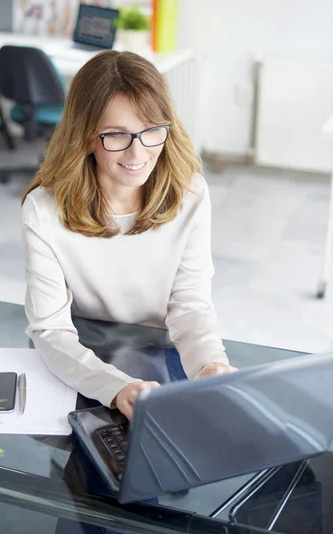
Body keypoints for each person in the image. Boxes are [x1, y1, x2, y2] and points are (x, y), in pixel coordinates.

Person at [21, 50, 236, 421]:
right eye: (117, 135)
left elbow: (190, 305)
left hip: (163, 351)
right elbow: (51, 330)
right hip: (84, 360)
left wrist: (209, 365)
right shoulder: (43, 211)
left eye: (152, 130)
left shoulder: (191, 195)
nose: (139, 152)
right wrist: (116, 386)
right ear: (86, 137)